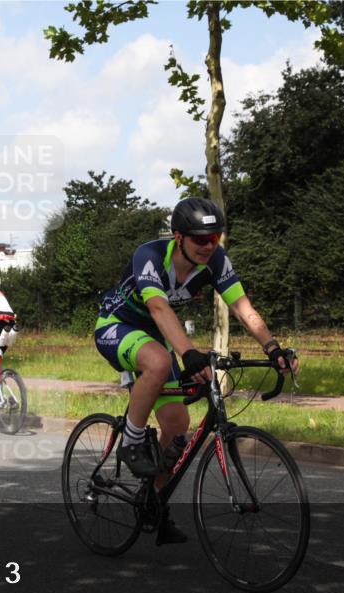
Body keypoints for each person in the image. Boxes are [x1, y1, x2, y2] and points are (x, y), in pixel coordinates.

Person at [94, 197, 298, 544]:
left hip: (157, 337)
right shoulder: (150, 255)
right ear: (178, 237)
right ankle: (130, 441)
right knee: (159, 361)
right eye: (200, 239)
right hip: (117, 326)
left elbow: (242, 306)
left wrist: (272, 347)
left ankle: (153, 505)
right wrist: (188, 353)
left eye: (215, 238)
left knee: (176, 425)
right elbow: (157, 307)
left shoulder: (216, 261)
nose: (208, 246)